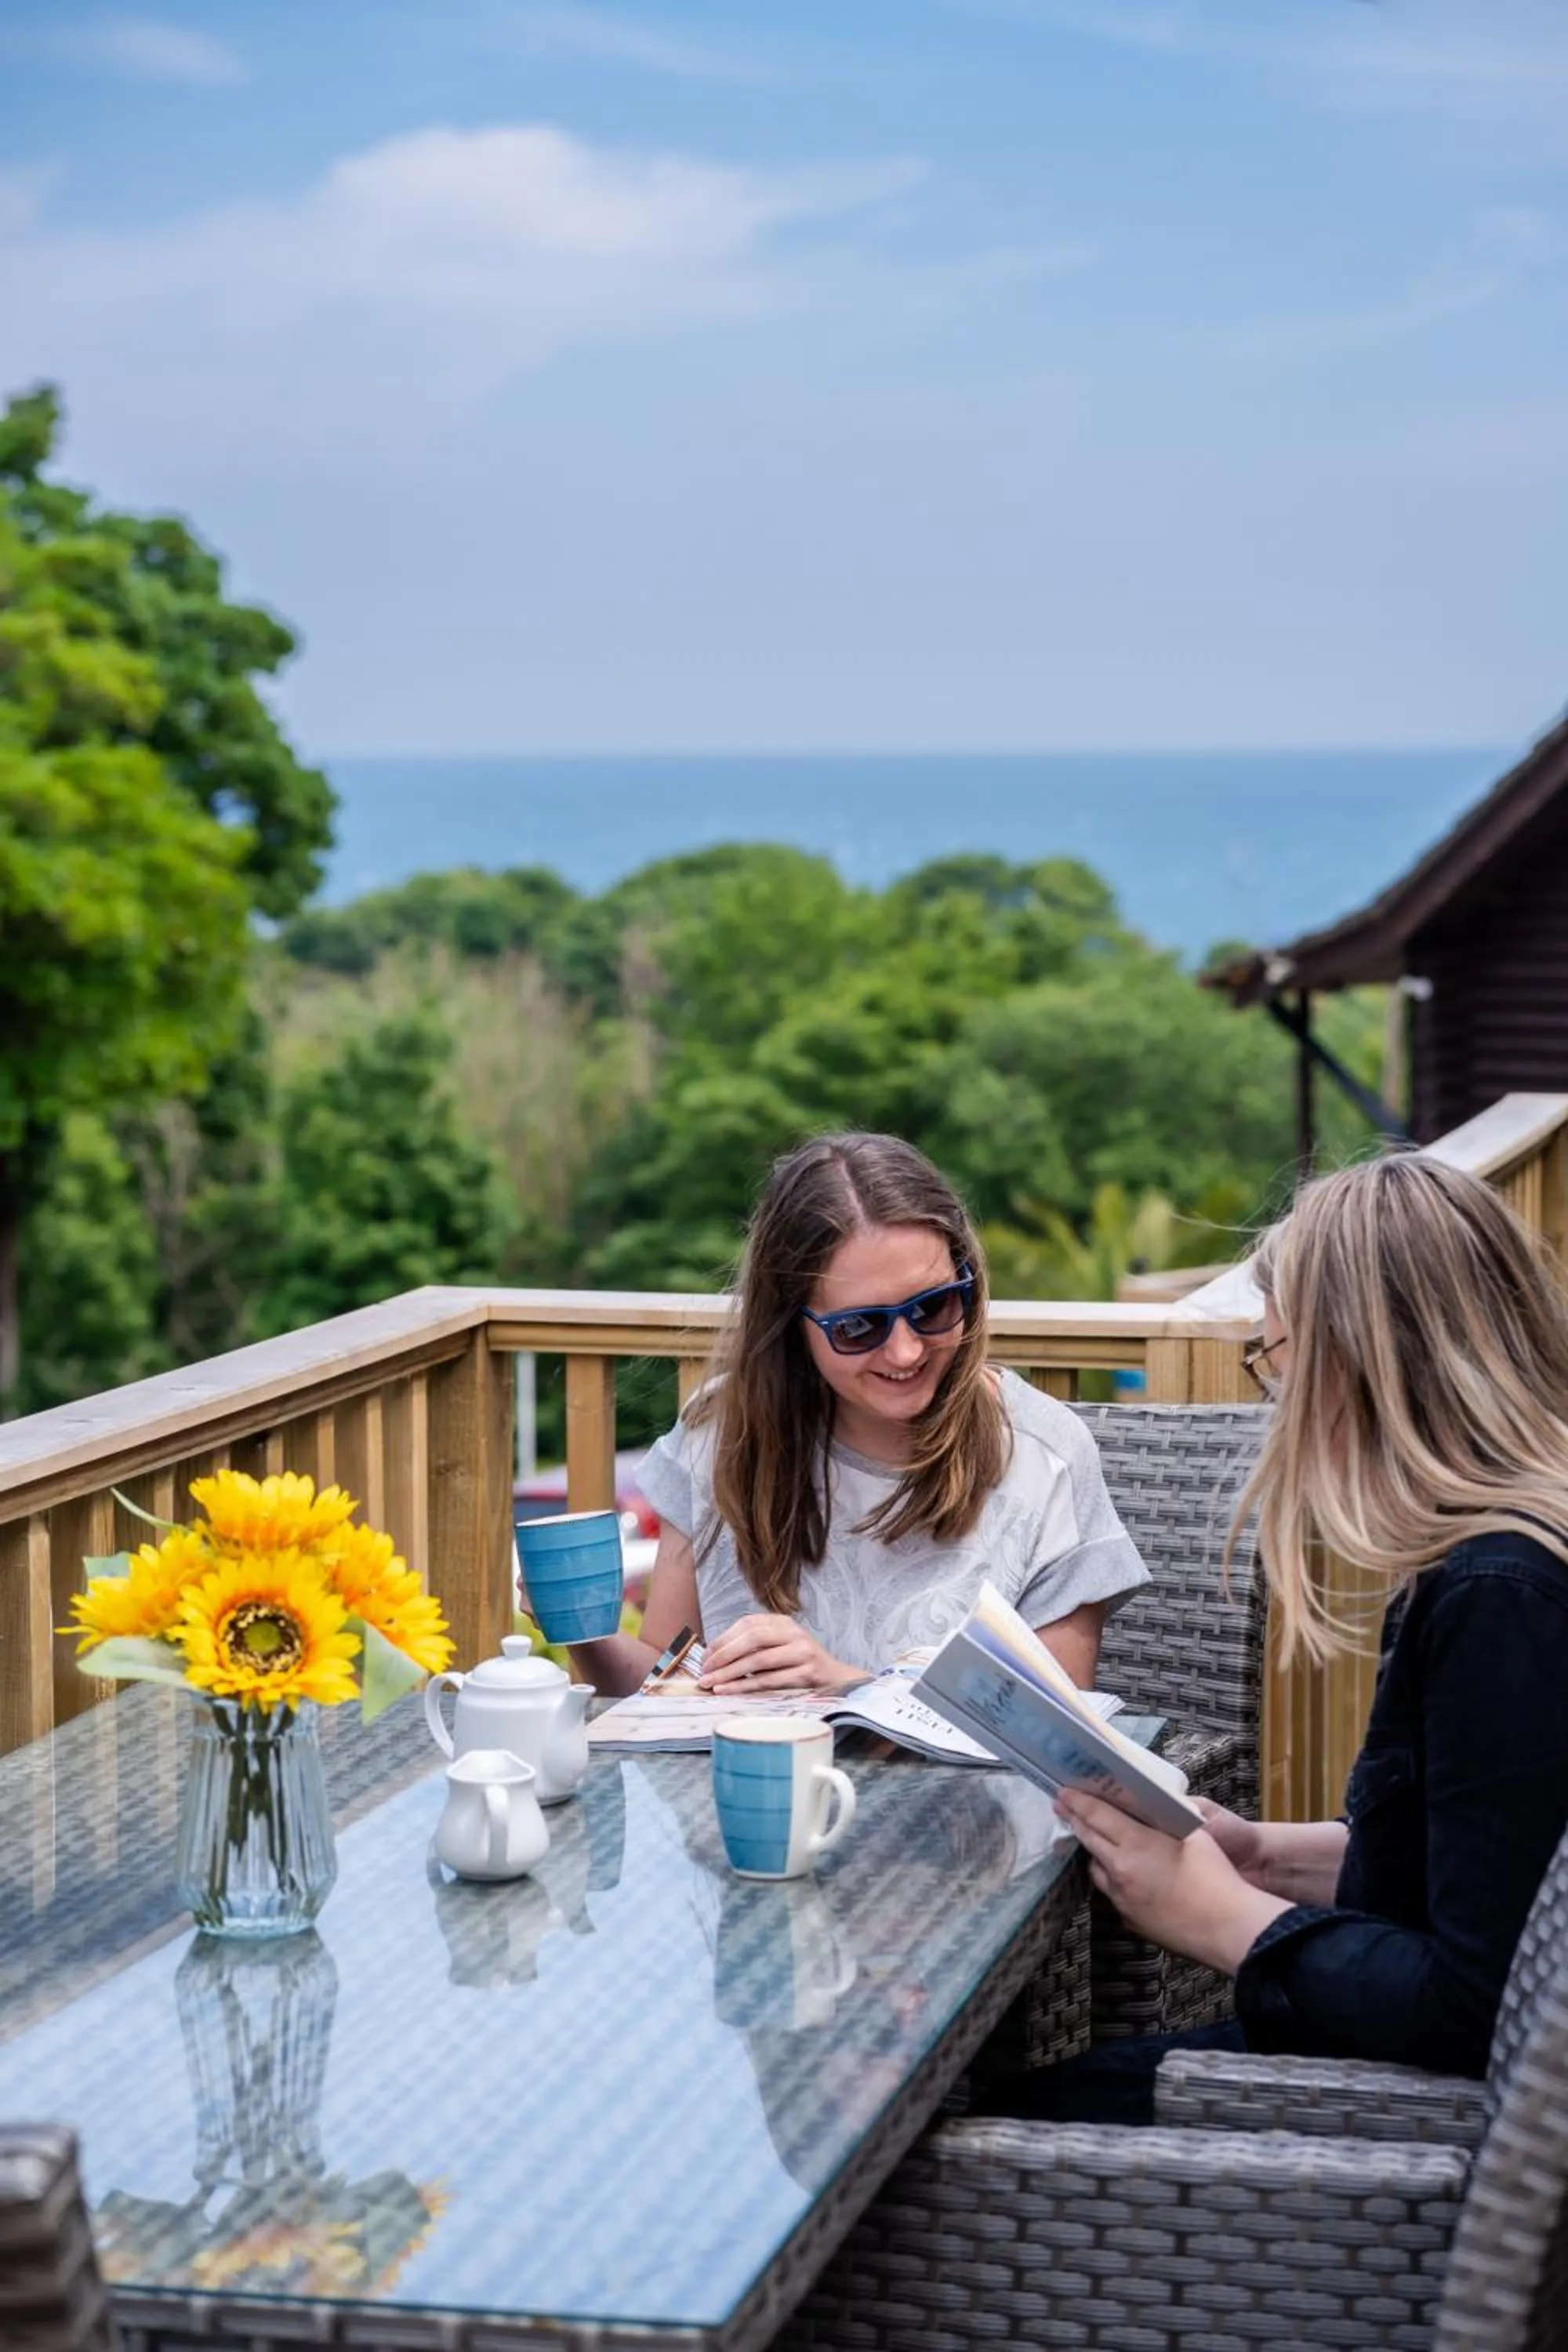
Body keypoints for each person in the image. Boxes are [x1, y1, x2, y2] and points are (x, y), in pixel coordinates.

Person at [988, 1152, 1568, 2125]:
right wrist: (1261, 1854)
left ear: (1351, 1362)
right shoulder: (1491, 1559)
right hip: (1402, 2095)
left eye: (1273, 1357)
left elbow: (1481, 2009)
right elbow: (1479, 1869)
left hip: (1403, 2135)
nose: (1276, 1400)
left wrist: (1222, 1920)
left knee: (968, 2133)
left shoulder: (1501, 1599)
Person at [563, 1131, 1149, 1700]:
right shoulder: (719, 1433)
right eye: (858, 1327)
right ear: (791, 1326)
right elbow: (667, 1692)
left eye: (934, 1306)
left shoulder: (1043, 1454)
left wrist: (844, 1688)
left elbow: (1062, 1734)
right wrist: (585, 1632)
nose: (905, 1351)